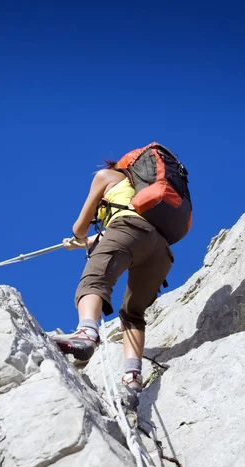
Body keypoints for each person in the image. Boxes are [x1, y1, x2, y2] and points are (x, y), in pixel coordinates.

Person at [50, 159, 174, 403]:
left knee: (93, 281)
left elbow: (81, 228)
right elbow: (120, 233)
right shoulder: (143, 195)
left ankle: (86, 333)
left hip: (128, 231)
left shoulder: (106, 176)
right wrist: (83, 244)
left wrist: (77, 237)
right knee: (133, 313)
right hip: (160, 250)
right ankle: (132, 375)